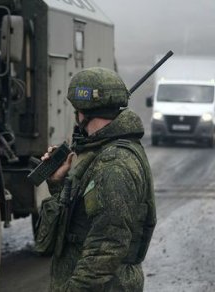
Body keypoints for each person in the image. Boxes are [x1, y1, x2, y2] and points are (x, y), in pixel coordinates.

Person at [41, 67, 156, 291]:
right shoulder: (100, 152)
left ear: (83, 113)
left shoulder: (114, 163)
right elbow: (80, 221)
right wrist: (58, 182)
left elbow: (107, 248)